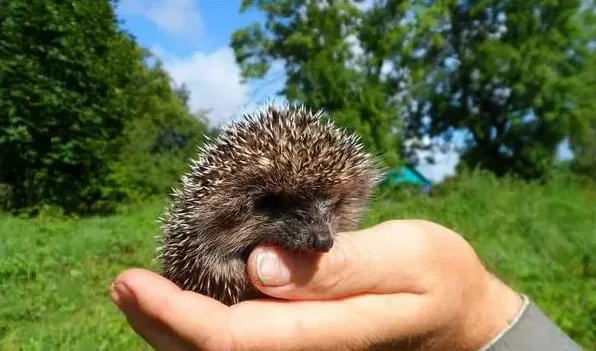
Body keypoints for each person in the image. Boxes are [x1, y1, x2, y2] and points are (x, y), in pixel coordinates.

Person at [109, 219, 583, 350]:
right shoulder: (208, 236)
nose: (320, 236)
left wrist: (476, 317)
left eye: (328, 209)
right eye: (284, 208)